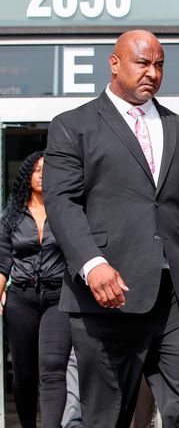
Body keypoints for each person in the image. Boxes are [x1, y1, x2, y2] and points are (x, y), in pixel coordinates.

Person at [43, 29, 179, 427]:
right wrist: (92, 263)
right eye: (143, 63)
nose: (152, 73)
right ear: (115, 63)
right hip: (108, 295)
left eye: (159, 65)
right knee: (108, 417)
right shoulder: (73, 126)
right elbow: (61, 202)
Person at [0, 151, 71, 427]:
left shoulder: (65, 211)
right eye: (37, 170)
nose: (42, 174)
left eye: (47, 169)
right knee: (24, 375)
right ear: (27, 175)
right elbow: (3, 261)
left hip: (57, 298)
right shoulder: (12, 215)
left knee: (53, 369)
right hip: (21, 299)